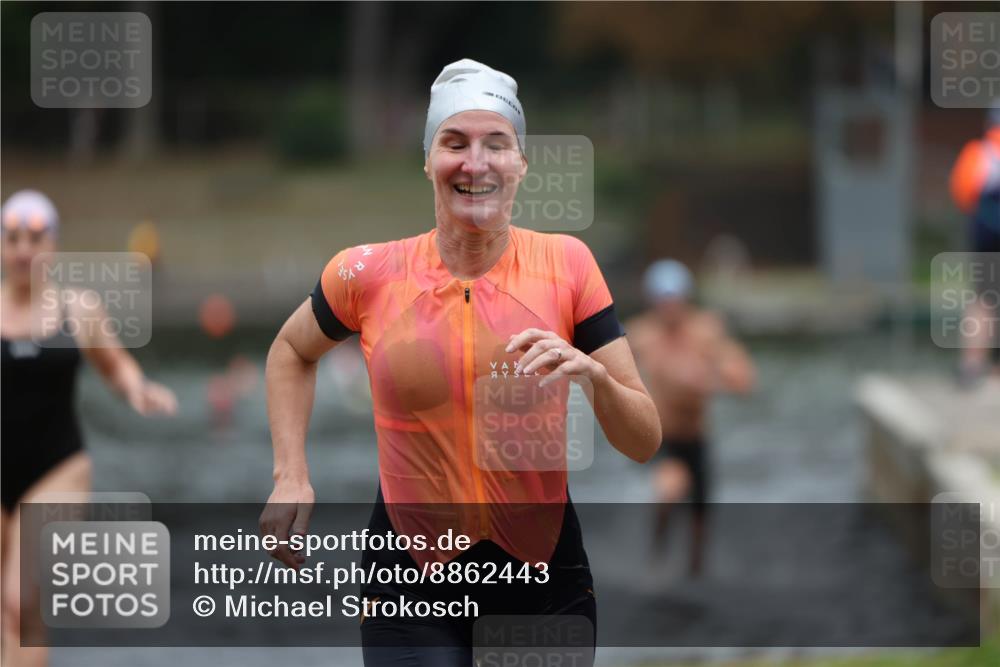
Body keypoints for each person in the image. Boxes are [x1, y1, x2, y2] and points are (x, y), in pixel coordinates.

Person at [260, 59, 661, 666]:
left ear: (521, 164)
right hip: (409, 577)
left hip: (540, 575)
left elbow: (643, 439)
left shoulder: (568, 265)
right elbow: (291, 350)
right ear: (427, 159)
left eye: (496, 145)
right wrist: (290, 472)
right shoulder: (366, 274)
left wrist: (595, 375)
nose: (475, 163)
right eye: (454, 143)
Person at [0, 190, 178, 667]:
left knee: (20, 599)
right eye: (12, 238)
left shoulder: (77, 308)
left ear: (53, 246)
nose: (22, 250)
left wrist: (138, 389)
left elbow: (115, 364)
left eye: (35, 239)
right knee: (7, 613)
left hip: (57, 467)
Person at [626, 259, 754, 576]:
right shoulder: (641, 335)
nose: (669, 306)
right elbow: (606, 373)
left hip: (696, 437)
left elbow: (744, 379)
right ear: (652, 300)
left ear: (685, 298)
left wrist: (711, 378)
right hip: (660, 437)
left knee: (699, 524)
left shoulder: (705, 332)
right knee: (670, 488)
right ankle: (655, 562)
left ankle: (693, 575)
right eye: (663, 299)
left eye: (675, 298)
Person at [949, 104, 1000, 386]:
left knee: (983, 300)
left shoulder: (979, 153)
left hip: (986, 239)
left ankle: (971, 364)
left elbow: (962, 193)